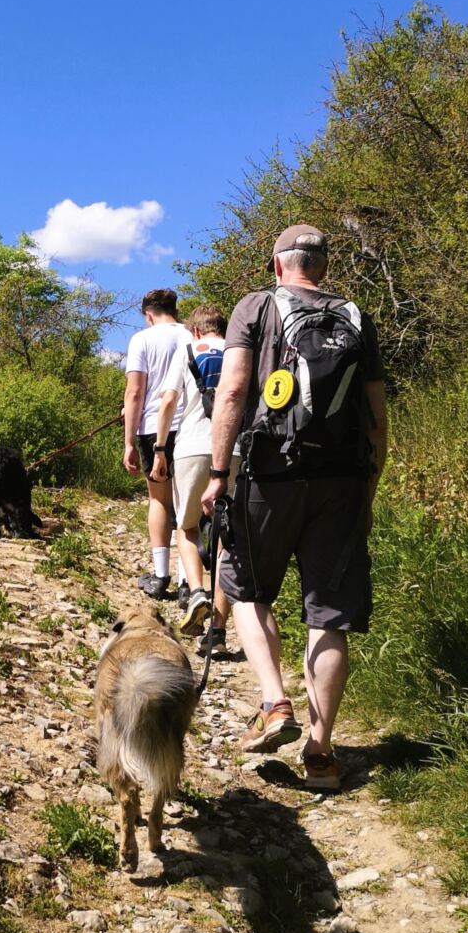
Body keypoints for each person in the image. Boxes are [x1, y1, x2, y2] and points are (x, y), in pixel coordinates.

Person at [200, 224, 388, 790]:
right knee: (328, 617)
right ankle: (322, 753)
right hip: (343, 481)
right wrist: (367, 492)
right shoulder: (356, 316)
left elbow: (233, 391)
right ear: (323, 266)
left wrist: (218, 474)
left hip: (270, 474)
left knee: (247, 589)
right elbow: (377, 419)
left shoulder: (256, 306)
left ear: (277, 264)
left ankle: (274, 702)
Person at [149, 304, 230, 639]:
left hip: (193, 447)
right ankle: (219, 631)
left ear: (195, 330)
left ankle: (196, 590)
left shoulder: (188, 351)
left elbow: (169, 401)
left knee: (187, 526)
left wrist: (159, 448)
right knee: (227, 540)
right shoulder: (241, 350)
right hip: (235, 450)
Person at [122, 289, 192, 600]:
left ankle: (161, 576)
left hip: (153, 427)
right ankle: (190, 582)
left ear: (148, 315)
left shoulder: (143, 339)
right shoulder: (192, 334)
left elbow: (135, 392)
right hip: (190, 426)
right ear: (174, 310)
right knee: (188, 504)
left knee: (159, 501)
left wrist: (128, 442)